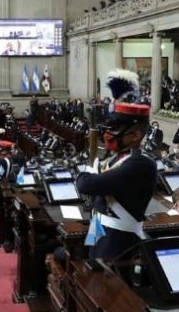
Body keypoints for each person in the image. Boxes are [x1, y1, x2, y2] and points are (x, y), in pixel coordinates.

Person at [76, 69, 157, 260]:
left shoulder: (139, 164)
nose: (108, 134)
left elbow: (85, 184)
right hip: (99, 227)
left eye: (116, 129)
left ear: (136, 135)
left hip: (117, 238)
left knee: (102, 274)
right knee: (90, 262)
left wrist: (89, 169)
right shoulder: (117, 158)